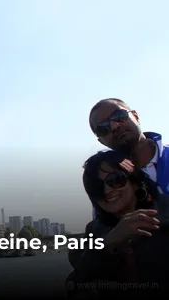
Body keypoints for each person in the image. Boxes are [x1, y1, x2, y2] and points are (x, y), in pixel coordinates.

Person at [69, 98, 169, 268]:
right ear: (101, 141)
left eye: (119, 116)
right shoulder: (108, 190)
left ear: (135, 116)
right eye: (103, 128)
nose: (115, 127)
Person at [66, 150, 168, 297]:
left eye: (115, 180)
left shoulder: (165, 217)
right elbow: (73, 286)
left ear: (135, 182)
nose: (107, 191)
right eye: (96, 187)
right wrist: (107, 244)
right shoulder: (93, 234)